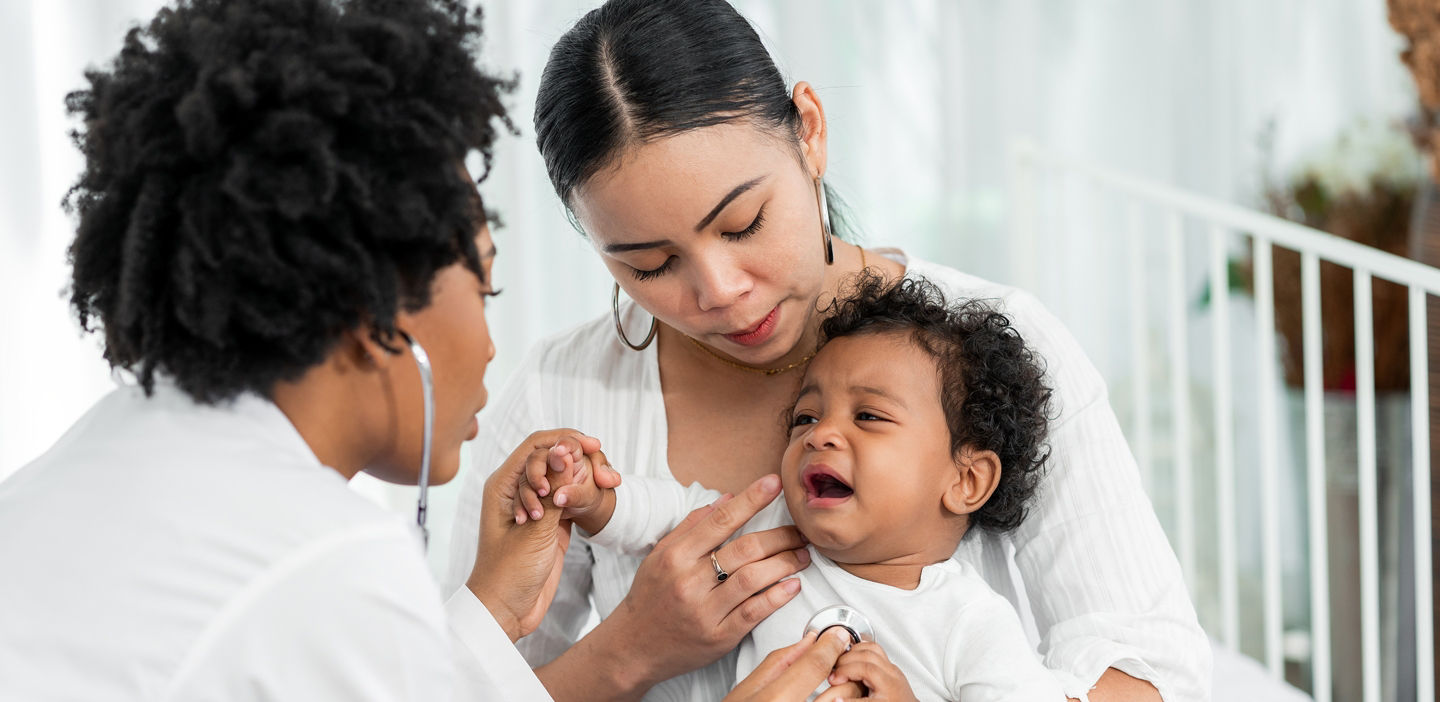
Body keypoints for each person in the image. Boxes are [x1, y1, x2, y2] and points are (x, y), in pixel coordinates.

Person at [0, 0, 860, 699]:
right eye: (483, 288)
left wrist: (486, 608)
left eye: (743, 223)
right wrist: (629, 650)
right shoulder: (321, 559)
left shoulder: (96, 461)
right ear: (378, 311)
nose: (490, 348)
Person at [445, 0, 1212, 700]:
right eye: (649, 264)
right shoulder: (558, 397)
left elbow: (1151, 669)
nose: (720, 291)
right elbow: (451, 682)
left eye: (743, 222)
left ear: (808, 129)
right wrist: (629, 651)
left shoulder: (991, 348)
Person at [517, 274, 1069, 701]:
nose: (821, 434)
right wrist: (594, 499)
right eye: (804, 418)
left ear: (966, 480)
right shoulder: (771, 529)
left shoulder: (970, 623)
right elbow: (672, 510)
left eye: (870, 416)